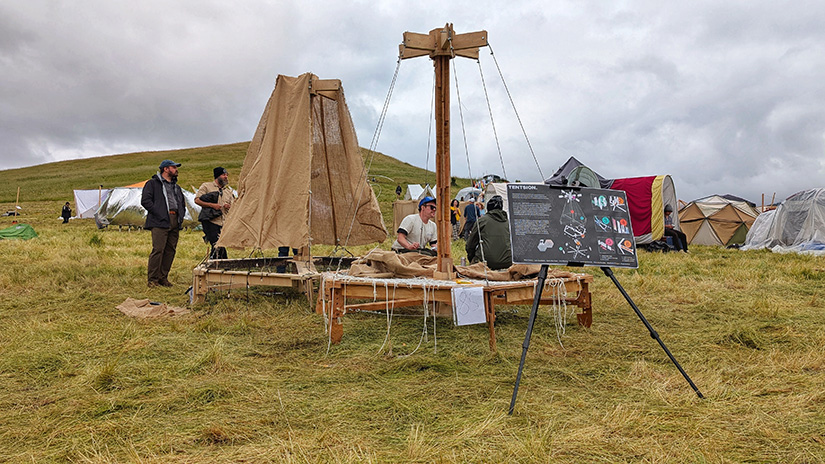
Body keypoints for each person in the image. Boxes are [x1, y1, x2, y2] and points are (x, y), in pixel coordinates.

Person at [141, 159, 185, 287]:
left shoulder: (177, 187)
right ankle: (153, 279)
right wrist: (160, 213)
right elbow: (145, 201)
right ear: (166, 169)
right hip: (159, 220)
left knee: (170, 250)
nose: (176, 170)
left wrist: (180, 214)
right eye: (174, 167)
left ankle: (163, 278)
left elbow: (181, 203)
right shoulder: (153, 184)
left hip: (175, 220)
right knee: (158, 250)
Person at [195, 167, 233, 259]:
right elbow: (197, 200)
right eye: (224, 175)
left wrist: (229, 206)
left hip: (224, 223)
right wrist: (212, 205)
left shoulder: (228, 191)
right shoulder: (206, 186)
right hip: (211, 221)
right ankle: (224, 265)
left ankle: (215, 266)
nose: (226, 177)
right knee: (217, 245)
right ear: (217, 176)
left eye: (226, 175)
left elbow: (234, 206)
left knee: (219, 245)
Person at [465, 195, 512, 270]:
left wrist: (471, 258)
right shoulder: (510, 223)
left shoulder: (482, 221)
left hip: (485, 262)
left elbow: (470, 244)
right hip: (507, 262)